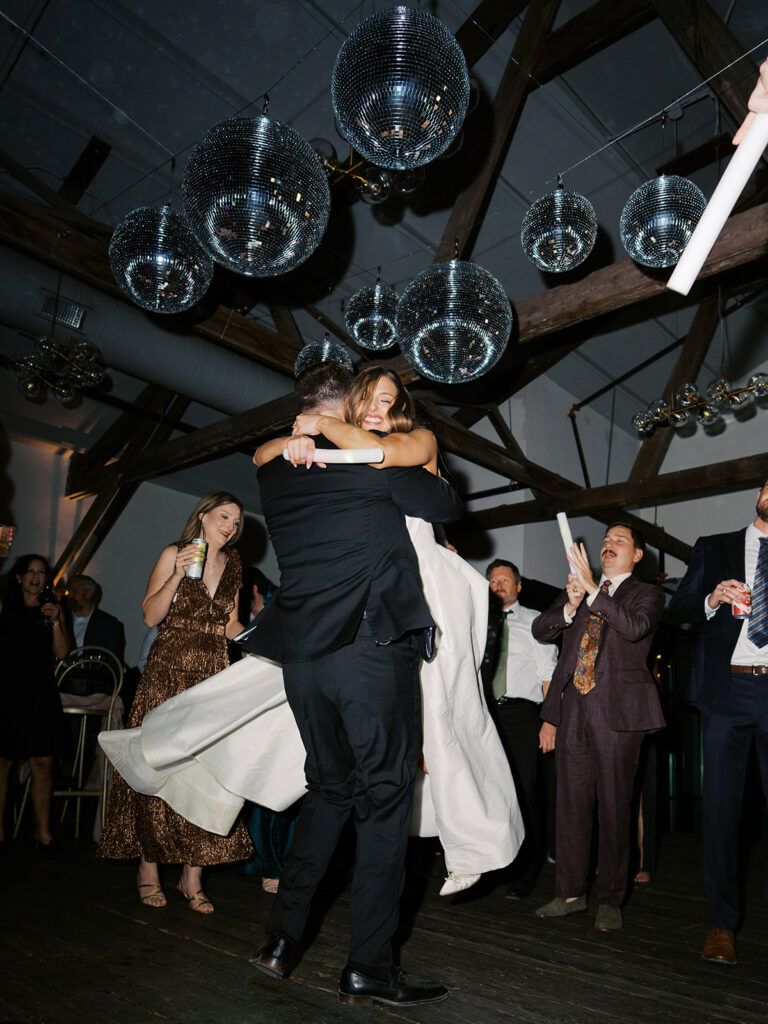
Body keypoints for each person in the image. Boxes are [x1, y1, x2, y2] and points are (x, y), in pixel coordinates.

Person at [98, 367, 520, 939]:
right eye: (367, 398)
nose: (378, 407)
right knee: (382, 787)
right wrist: (305, 435)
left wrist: (314, 427)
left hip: (367, 626)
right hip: (370, 638)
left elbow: (290, 458)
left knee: (398, 755)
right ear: (351, 403)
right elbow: (270, 454)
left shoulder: (405, 446)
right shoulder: (341, 468)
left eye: (388, 400)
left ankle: (282, 938)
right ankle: (370, 959)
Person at [97, 492, 252, 911]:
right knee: (155, 769)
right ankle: (148, 870)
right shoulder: (174, 552)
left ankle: (192, 875)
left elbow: (230, 624)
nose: (230, 527)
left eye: (237, 522)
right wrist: (176, 576)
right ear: (202, 516)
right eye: (224, 516)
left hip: (211, 677)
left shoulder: (236, 564)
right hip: (166, 673)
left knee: (203, 774)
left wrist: (260, 645)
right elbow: (150, 615)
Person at [532, 523, 665, 932]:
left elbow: (635, 628)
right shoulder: (579, 590)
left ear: (637, 555)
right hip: (573, 708)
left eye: (619, 541)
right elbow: (541, 631)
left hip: (620, 714)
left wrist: (593, 590)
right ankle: (570, 894)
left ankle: (610, 898)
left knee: (614, 806)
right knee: (570, 805)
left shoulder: (647, 594)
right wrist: (571, 606)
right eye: (605, 540)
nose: (608, 545)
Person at [667, 479, 768, 965]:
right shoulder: (716, 546)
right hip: (727, 691)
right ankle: (721, 925)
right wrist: (711, 598)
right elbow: (678, 607)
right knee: (721, 813)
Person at [482, 559, 558, 899]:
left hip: (522, 714)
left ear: (519, 585)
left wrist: (550, 720)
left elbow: (548, 675)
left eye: (505, 580)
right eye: (494, 580)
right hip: (483, 713)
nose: (499, 585)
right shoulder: (477, 621)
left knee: (525, 793)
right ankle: (490, 867)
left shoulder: (536, 622)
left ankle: (527, 871)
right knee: (486, 793)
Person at [0, 554, 69, 848]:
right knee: (3, 761)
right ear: (18, 576)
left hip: (40, 692)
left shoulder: (51, 610)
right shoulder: (5, 606)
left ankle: (43, 832)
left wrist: (55, 622)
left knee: (42, 762)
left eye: (41, 573)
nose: (35, 577)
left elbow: (63, 653)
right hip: (7, 691)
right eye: (29, 571)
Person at [65, 574, 125, 666]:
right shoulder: (61, 621)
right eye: (68, 591)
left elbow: (112, 663)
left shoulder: (109, 624)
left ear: (89, 593)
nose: (69, 596)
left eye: (74, 591)